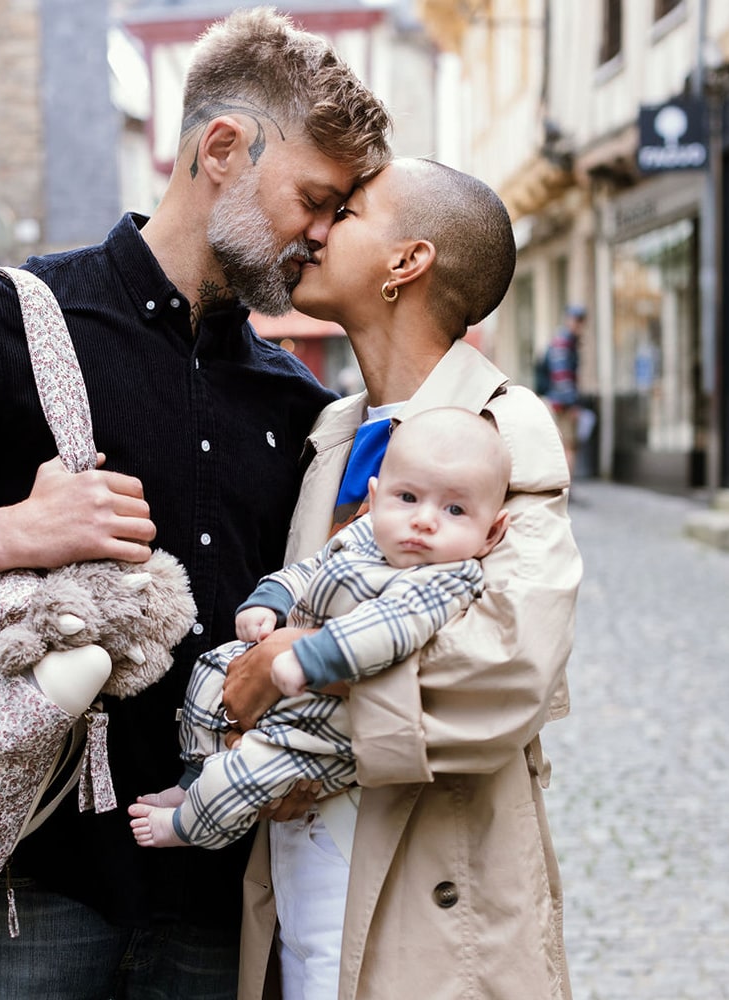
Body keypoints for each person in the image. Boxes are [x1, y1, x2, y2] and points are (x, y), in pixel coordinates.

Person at [0, 9, 392, 999]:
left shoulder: (299, 402)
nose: (322, 234)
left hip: (218, 895)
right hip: (27, 887)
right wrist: (8, 533)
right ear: (221, 149)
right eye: (313, 198)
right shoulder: (6, 321)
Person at [222, 158, 582, 1000]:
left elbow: (507, 668)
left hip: (430, 894)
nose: (314, 228)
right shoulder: (334, 431)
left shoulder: (503, 424)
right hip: (302, 878)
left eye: (345, 213)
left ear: (406, 262)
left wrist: (300, 689)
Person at [128, 408, 510, 860]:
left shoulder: (445, 578)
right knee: (212, 669)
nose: (424, 520)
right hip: (291, 686)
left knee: (250, 769)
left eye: (454, 509)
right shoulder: (368, 534)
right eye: (407, 497)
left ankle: (189, 826)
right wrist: (270, 599)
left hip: (325, 729)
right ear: (375, 496)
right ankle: (193, 779)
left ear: (492, 532)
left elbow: (388, 629)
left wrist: (310, 656)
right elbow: (310, 569)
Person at [542, 303, 587, 475]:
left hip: (558, 401)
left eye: (580, 321)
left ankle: (564, 487)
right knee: (568, 446)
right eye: (576, 320)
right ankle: (566, 488)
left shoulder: (567, 340)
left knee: (564, 445)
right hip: (563, 403)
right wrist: (572, 404)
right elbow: (562, 376)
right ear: (568, 320)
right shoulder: (564, 341)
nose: (578, 324)